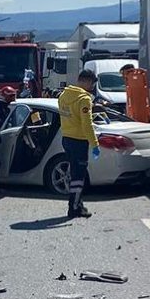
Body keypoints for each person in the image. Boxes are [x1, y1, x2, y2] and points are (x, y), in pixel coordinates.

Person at [58, 69, 100, 219]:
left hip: (66, 138)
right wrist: (94, 144)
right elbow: (86, 124)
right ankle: (74, 208)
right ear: (87, 81)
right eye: (92, 84)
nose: (92, 87)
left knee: (75, 173)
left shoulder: (64, 95)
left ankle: (78, 204)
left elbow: (71, 116)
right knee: (78, 176)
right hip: (79, 141)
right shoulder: (84, 99)